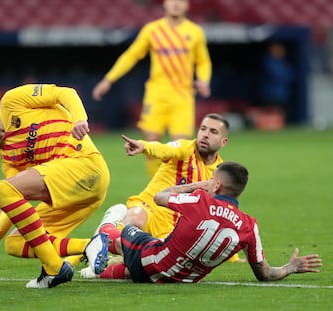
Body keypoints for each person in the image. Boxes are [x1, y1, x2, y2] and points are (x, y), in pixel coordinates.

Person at [0, 83, 111, 288]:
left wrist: (80, 118)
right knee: (15, 243)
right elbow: (12, 205)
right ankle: (98, 245)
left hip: (84, 165)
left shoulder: (12, 101)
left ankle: (55, 269)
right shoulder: (9, 157)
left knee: (4, 189)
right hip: (71, 194)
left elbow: (66, 92)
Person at [96, 161, 323, 283]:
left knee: (126, 231)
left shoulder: (199, 200)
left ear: (216, 186)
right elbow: (265, 274)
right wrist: (291, 267)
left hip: (151, 261)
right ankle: (95, 272)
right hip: (181, 280)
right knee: (131, 270)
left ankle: (104, 231)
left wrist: (195, 186)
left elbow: (159, 197)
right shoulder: (249, 226)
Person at [81, 113, 242, 279]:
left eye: (213, 132)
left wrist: (234, 256)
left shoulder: (219, 174)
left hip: (171, 228)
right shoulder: (185, 148)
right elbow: (164, 149)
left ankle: (100, 270)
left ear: (224, 142)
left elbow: (220, 213)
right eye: (203, 129)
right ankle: (107, 230)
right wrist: (143, 146)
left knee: (156, 268)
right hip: (149, 207)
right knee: (135, 219)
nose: (205, 134)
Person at [92, 0, 212, 178]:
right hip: (156, 95)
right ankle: (155, 189)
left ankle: (174, 190)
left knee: (179, 147)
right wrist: (108, 79)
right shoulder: (152, 30)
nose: (176, 4)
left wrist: (203, 80)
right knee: (150, 144)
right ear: (164, 4)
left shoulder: (195, 32)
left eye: (181, 1)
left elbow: (203, 61)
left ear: (187, 5)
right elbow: (131, 55)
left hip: (182, 96)